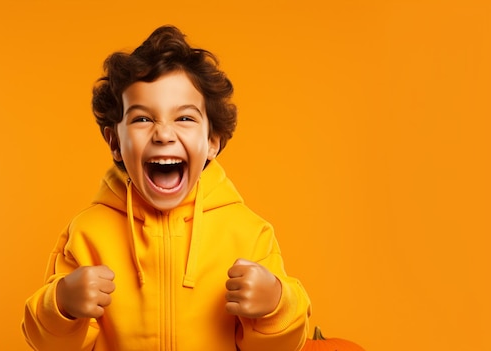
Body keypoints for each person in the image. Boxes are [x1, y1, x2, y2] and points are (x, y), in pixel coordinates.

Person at [22, 25, 311, 351]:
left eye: (184, 119)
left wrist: (275, 305)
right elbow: (46, 344)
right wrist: (61, 305)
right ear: (115, 143)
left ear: (212, 141)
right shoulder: (88, 233)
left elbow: (282, 346)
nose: (163, 134)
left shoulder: (248, 234)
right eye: (143, 119)